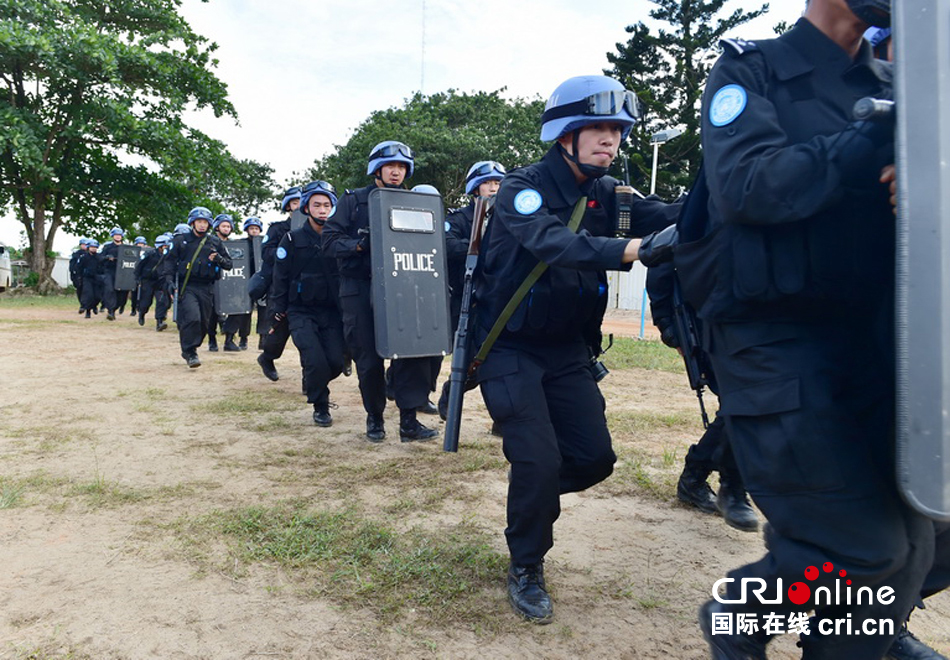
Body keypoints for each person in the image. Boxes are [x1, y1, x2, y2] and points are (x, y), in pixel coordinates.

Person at [692, 2, 935, 657]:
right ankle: (739, 609)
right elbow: (746, 187)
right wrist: (867, 148)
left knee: (921, 539)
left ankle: (864, 631)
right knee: (868, 547)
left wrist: (908, 185)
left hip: (876, 343)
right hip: (776, 342)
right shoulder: (753, 70)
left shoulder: (898, 86)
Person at [471, 75, 679, 623]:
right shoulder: (523, 187)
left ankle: (531, 495)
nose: (611, 140)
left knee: (593, 459)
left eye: (618, 131)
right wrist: (634, 249)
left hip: (567, 351)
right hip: (509, 347)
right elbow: (554, 243)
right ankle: (526, 563)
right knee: (538, 461)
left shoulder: (611, 194)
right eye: (599, 128)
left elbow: (675, 214)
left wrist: (729, 186)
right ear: (566, 132)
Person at [323, 140, 439, 443]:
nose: (396, 172)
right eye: (391, 166)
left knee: (411, 354)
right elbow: (330, 241)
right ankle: (374, 418)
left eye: (402, 166)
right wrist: (358, 245)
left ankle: (409, 422)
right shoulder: (353, 201)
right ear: (377, 168)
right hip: (359, 288)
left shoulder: (415, 203)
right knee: (368, 358)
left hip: (404, 287)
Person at [645, 261, 758, 532]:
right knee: (743, 401)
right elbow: (661, 258)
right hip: (709, 324)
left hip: (757, 320)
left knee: (751, 402)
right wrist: (668, 326)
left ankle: (699, 476)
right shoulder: (697, 217)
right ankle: (717, 482)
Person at [271, 181, 346, 426]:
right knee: (314, 359)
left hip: (332, 312)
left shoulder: (339, 240)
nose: (322, 210)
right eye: (317, 205)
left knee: (335, 361)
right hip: (300, 311)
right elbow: (280, 278)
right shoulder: (291, 240)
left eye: (327, 205)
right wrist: (276, 311)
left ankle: (314, 381)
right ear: (306, 208)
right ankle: (320, 405)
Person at [438, 160, 507, 422]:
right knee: (472, 361)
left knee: (503, 363)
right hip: (468, 298)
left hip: (502, 299)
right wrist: (479, 247)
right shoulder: (459, 218)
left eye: (498, 183)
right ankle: (451, 391)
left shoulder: (512, 218)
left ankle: (503, 420)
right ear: (475, 188)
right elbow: (446, 245)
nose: (494, 188)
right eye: (488, 183)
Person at [162, 207, 233, 368]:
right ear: (192, 222)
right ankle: (190, 351)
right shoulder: (181, 240)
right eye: (199, 222)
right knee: (192, 317)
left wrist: (219, 259)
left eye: (205, 222)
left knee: (204, 323)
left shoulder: (215, 242)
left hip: (207, 287)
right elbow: (169, 262)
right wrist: (169, 281)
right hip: (188, 286)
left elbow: (229, 264)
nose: (202, 225)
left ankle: (193, 346)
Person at [257, 187, 301, 381]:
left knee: (309, 339)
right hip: (281, 287)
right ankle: (267, 358)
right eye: (295, 202)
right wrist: (285, 253)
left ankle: (310, 380)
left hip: (308, 288)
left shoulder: (319, 229)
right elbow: (266, 254)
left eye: (302, 201)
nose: (299, 206)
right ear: (288, 206)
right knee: (278, 334)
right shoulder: (277, 229)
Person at [135, 234, 171, 330]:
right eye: (165, 246)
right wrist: (137, 278)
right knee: (146, 301)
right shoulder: (149, 254)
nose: (167, 248)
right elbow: (139, 265)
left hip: (161, 281)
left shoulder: (169, 256)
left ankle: (159, 321)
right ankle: (142, 313)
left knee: (162, 301)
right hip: (148, 280)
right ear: (160, 246)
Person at [98, 226, 126, 320]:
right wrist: (107, 258)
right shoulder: (107, 247)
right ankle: (110, 311)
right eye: (116, 235)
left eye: (119, 235)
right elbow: (100, 258)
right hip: (110, 271)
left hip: (122, 273)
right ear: (113, 236)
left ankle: (115, 308)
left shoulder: (126, 247)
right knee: (110, 290)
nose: (118, 237)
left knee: (121, 294)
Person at [77, 240, 102, 318]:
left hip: (97, 279)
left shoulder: (99, 257)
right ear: (88, 247)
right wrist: (79, 277)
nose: (93, 249)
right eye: (92, 247)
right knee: (88, 294)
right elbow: (79, 268)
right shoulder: (84, 257)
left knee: (98, 296)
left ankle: (94, 306)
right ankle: (87, 311)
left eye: (95, 247)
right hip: (87, 278)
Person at [69, 238, 89, 313]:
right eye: (83, 244)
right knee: (80, 290)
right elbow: (72, 265)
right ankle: (82, 305)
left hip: (87, 275)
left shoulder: (90, 254)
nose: (85, 246)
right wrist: (73, 274)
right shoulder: (76, 254)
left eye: (86, 245)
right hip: (79, 275)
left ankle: (86, 305)